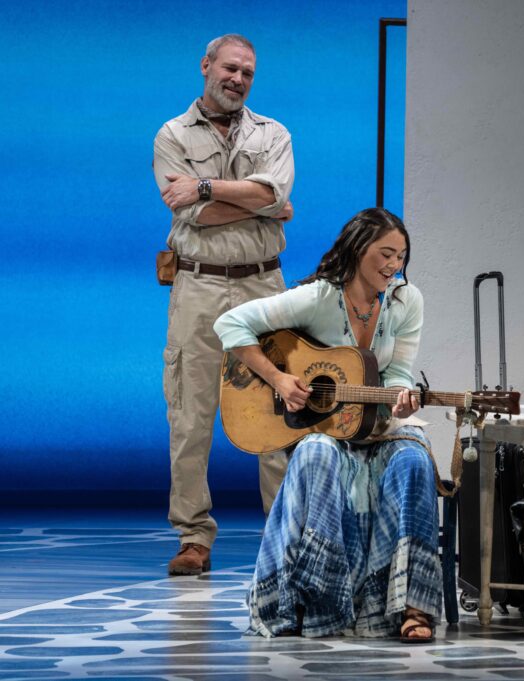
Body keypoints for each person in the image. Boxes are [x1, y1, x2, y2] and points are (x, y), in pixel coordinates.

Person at [213, 207, 440, 643]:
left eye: (401, 256)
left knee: (414, 459)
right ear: (358, 250)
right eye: (386, 254)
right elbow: (230, 323)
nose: (394, 266)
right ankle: (318, 599)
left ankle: (412, 606)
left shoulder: (405, 301)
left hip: (376, 425)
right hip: (327, 431)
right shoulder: (318, 297)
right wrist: (279, 379)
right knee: (316, 453)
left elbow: (396, 375)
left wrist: (401, 402)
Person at [153, 34, 294, 576]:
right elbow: (194, 217)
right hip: (199, 287)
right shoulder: (172, 135)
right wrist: (260, 205)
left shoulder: (273, 133)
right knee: (189, 414)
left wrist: (207, 188)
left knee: (279, 407)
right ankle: (194, 536)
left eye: (248, 72)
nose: (238, 79)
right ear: (206, 65)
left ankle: (285, 530)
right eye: (230, 68)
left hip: (264, 286)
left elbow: (273, 196)